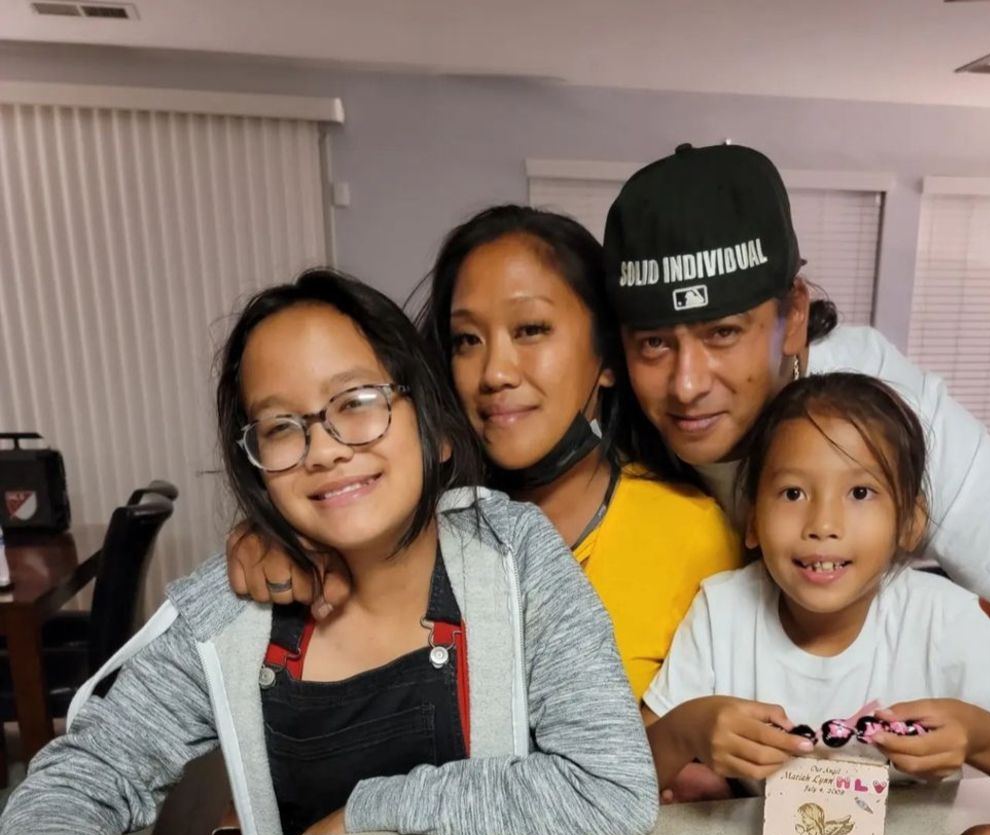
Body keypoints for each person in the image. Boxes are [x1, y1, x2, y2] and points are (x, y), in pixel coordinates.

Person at [0, 268, 657, 835]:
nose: (325, 450)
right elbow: (88, 768)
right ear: (257, 467)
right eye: (282, 427)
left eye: (358, 403)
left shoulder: (515, 561)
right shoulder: (230, 616)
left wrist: (364, 811)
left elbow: (611, 787)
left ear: (435, 425)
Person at [604, 142, 990, 835]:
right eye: (654, 344)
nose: (687, 383)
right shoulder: (603, 431)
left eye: (726, 333)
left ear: (794, 316)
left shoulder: (880, 414)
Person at [229, 206, 740, 702]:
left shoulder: (690, 536)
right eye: (467, 339)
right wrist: (276, 540)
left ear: (607, 356)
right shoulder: (405, 527)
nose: (495, 372)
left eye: (531, 330)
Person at [644, 373, 990, 801]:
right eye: (792, 494)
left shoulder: (947, 620)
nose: (823, 525)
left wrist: (979, 737)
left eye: (860, 492)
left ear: (909, 523)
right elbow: (623, 776)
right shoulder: (722, 611)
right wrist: (686, 731)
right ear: (752, 519)